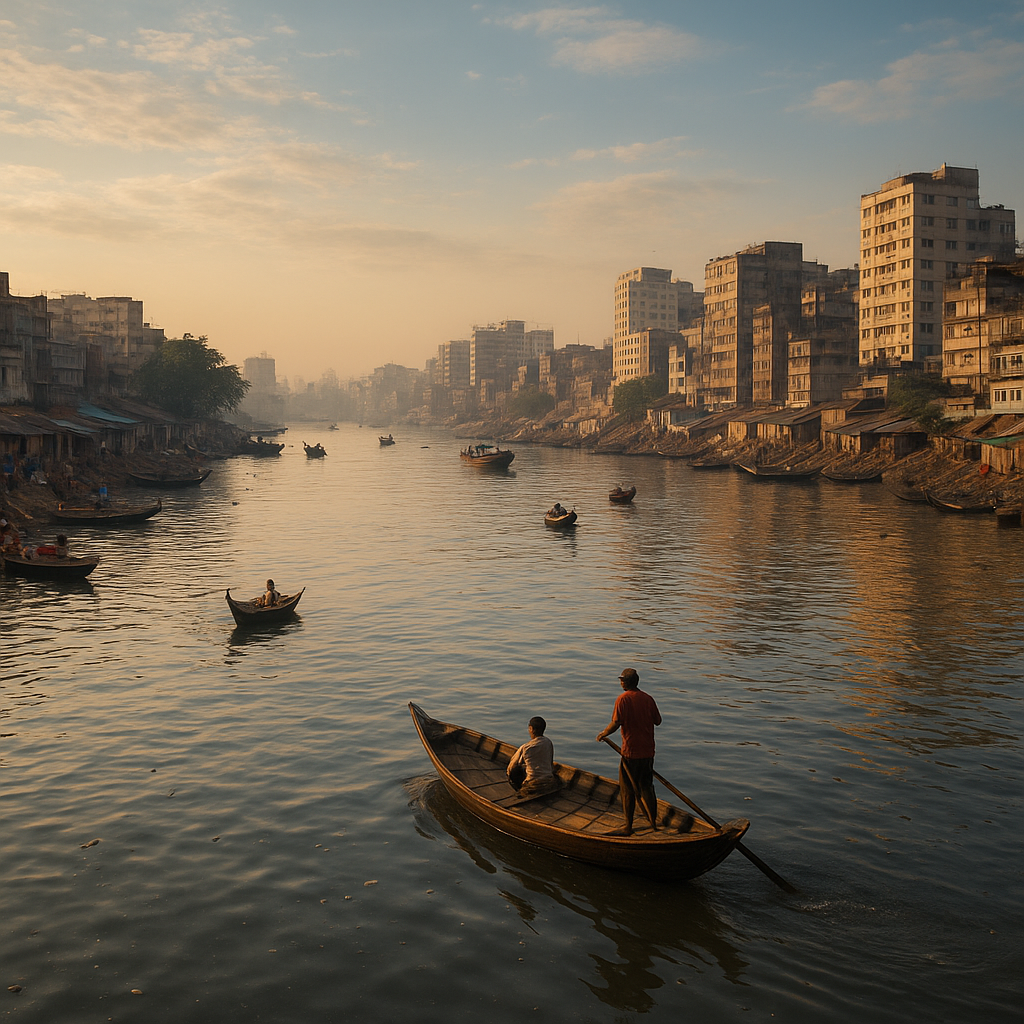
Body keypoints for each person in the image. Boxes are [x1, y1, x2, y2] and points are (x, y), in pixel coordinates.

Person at [595, 667, 662, 836]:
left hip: (630, 752)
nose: (620, 683)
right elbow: (658, 721)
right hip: (648, 751)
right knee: (647, 786)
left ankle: (628, 827)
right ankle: (653, 823)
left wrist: (604, 733)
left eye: (622, 680)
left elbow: (616, 723)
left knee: (627, 790)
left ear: (626, 682)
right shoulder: (648, 698)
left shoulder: (623, 699)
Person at [506, 716, 558, 797]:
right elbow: (550, 764)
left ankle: (520, 790)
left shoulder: (525, 747)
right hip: (548, 780)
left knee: (514, 770)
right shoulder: (548, 742)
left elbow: (511, 768)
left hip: (532, 784)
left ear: (531, 729)